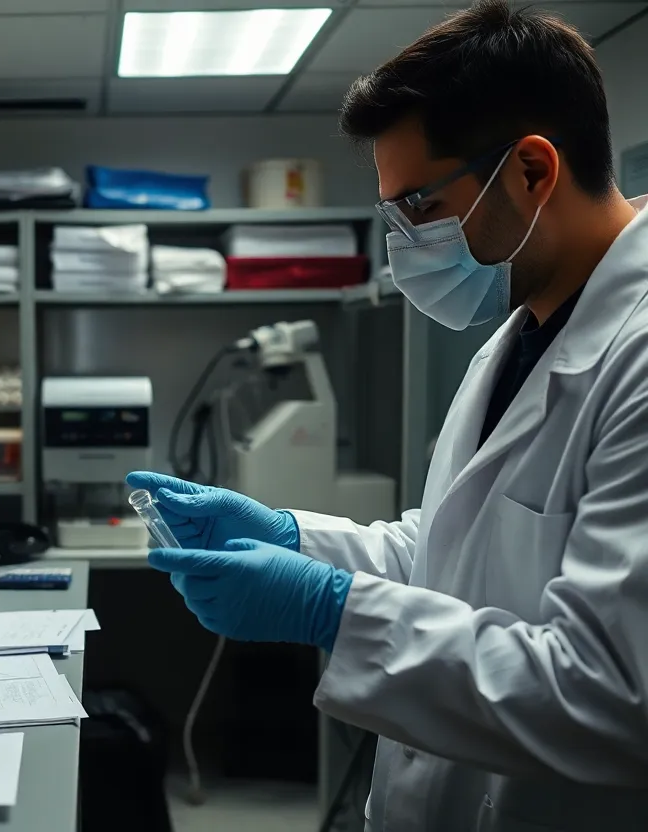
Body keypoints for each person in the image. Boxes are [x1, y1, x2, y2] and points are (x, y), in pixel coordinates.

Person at [130, 2, 648, 830]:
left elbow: (614, 694)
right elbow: (451, 549)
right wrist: (290, 537)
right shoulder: (523, 330)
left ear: (532, 172)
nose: (401, 243)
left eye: (417, 206)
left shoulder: (638, 360)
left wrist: (332, 608)